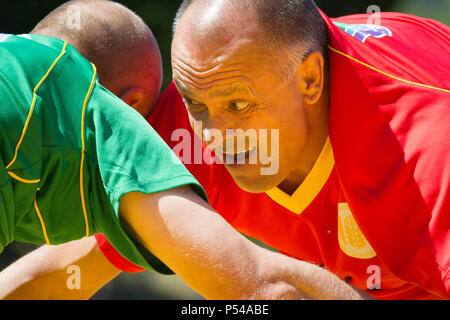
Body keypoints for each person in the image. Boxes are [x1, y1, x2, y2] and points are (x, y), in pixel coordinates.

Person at [0, 0, 370, 300]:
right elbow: (268, 290)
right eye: (149, 122)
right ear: (129, 107)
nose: (209, 137)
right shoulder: (104, 117)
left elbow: (46, 282)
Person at [95, 0, 450, 299]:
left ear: (310, 79)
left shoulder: (427, 157)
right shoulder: (207, 87)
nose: (211, 137)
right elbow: (60, 270)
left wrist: (268, 280)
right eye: (193, 102)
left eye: (238, 106)